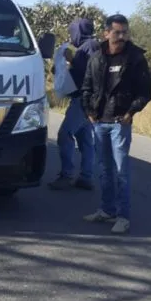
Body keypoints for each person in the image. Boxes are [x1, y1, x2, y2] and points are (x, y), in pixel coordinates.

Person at [81, 14, 151, 233]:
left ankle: (123, 216)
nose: (121, 36)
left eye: (125, 32)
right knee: (104, 170)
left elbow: (146, 92)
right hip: (99, 122)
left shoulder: (136, 58)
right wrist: (89, 111)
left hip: (120, 122)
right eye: (117, 32)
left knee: (121, 170)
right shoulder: (96, 56)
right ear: (106, 33)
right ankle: (107, 210)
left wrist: (131, 112)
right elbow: (87, 87)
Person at [48, 18, 100, 190]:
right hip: (84, 100)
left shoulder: (90, 45)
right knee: (85, 139)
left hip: (84, 101)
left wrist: (72, 60)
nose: (71, 36)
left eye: (73, 32)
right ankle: (86, 177)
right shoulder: (85, 47)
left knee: (65, 134)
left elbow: (93, 72)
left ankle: (66, 175)